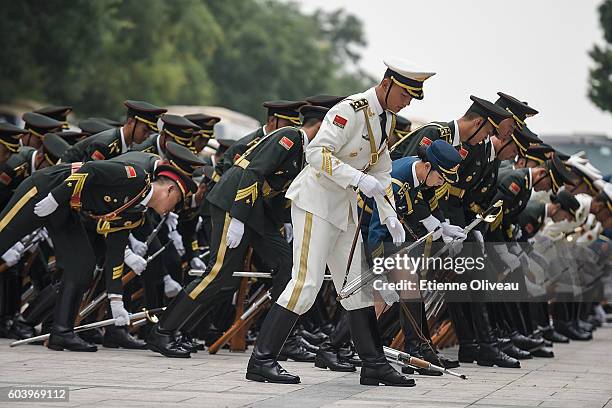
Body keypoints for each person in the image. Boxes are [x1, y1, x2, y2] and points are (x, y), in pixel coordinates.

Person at [246, 57, 435, 386]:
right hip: (316, 202)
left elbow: (382, 172)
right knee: (306, 283)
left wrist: (389, 212)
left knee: (357, 287)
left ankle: (374, 363)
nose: (407, 102)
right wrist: (357, 180)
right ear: (387, 84)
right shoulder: (351, 109)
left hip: (344, 208)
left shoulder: (386, 120)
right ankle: (262, 359)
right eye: (405, 94)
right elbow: (316, 153)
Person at [146, 104, 330, 359]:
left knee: (287, 264)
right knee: (218, 274)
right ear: (321, 127)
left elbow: (278, 194)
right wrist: (238, 219)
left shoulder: (305, 151)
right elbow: (253, 173)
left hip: (257, 213)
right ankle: (163, 332)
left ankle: (282, 339)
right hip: (234, 204)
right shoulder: (289, 137)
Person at [0, 159, 195, 351]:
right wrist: (55, 197)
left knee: (82, 263)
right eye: (176, 202)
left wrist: (116, 299)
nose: (172, 210)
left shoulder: (136, 213)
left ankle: (61, 332)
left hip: (65, 207)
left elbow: (115, 253)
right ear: (169, 190)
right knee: (3, 236)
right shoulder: (135, 177)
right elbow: (90, 169)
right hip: (47, 189)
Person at [61, 100, 166, 163]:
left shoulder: (128, 145)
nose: (147, 135)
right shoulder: (105, 145)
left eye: (150, 132)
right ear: (131, 122)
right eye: (145, 130)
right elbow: (84, 178)